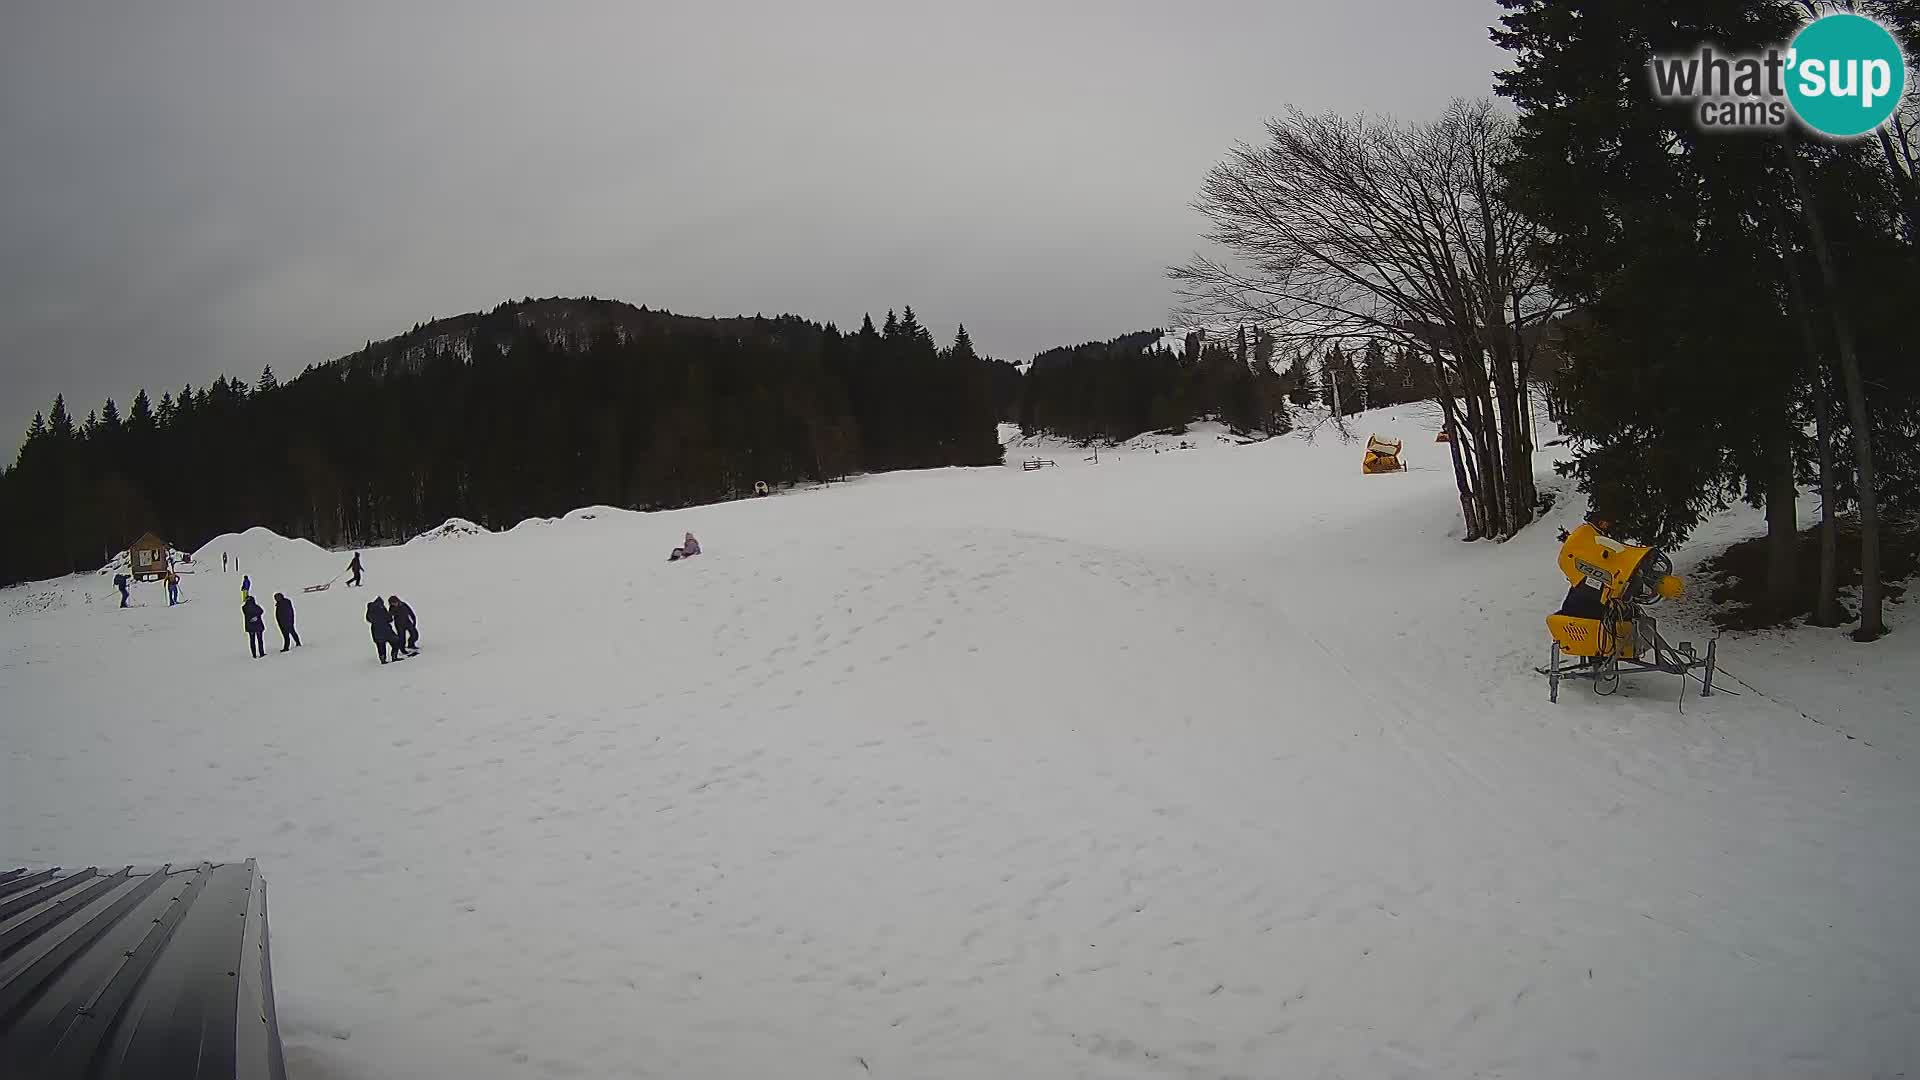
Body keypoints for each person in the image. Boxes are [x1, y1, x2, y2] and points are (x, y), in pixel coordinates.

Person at [366, 597, 404, 664]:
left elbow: (369, 619)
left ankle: (383, 659)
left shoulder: (371, 610)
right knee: (396, 642)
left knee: (381, 646)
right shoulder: (381, 609)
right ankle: (394, 657)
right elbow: (389, 619)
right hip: (386, 630)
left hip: (376, 631)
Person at [242, 594, 267, 658]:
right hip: (258, 625)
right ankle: (261, 653)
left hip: (250, 626)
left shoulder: (244, 607)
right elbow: (261, 611)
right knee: (260, 640)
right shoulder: (256, 606)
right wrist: (257, 616)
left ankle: (254, 655)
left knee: (252, 641)